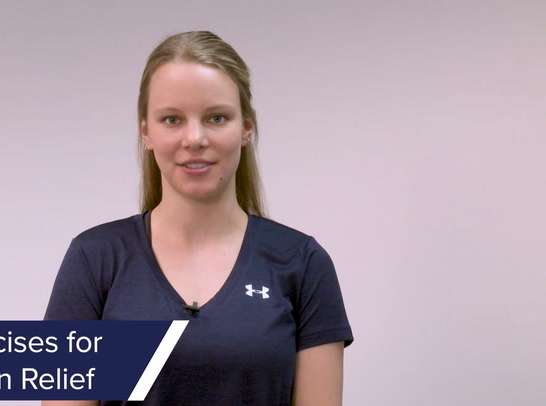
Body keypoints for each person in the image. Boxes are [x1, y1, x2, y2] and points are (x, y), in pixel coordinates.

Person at [43, 30, 353, 406]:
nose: (194, 138)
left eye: (216, 117)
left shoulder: (302, 263)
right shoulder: (94, 259)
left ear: (246, 128)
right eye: (172, 119)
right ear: (146, 132)